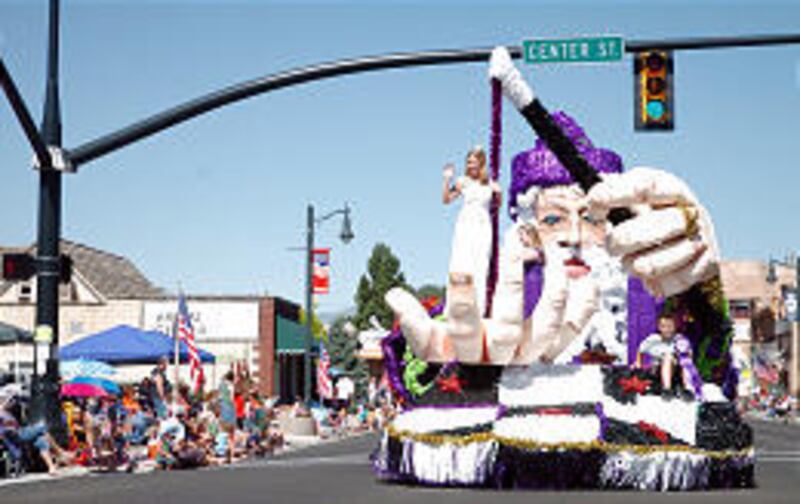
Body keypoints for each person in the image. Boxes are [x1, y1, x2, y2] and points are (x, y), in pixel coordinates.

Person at [386, 47, 729, 395]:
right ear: (526, 224)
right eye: (554, 219)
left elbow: (711, 370)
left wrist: (703, 283)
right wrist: (462, 364)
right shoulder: (484, 302)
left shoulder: (655, 292)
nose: (575, 236)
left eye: (592, 217)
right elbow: (418, 367)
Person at [442, 146, 502, 317]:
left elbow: (497, 207)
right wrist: (447, 179)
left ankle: (478, 309)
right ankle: (453, 307)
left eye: (474, 162)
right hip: (465, 223)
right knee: (460, 262)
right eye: (468, 162)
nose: (470, 165)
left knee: (480, 264)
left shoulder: (490, 184)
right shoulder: (462, 181)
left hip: (483, 225)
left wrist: (499, 193)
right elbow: (446, 200)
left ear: (481, 163)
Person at [637, 312, 698, 399]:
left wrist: (685, 358)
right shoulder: (653, 339)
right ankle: (667, 389)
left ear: (675, 327)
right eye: (663, 326)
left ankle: (687, 388)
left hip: (676, 370)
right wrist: (639, 364)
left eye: (670, 326)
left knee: (684, 360)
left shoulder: (680, 339)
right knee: (668, 357)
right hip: (658, 371)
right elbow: (640, 350)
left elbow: (689, 353)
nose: (667, 329)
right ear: (659, 327)